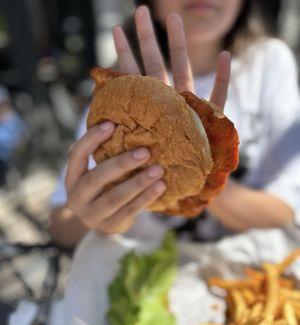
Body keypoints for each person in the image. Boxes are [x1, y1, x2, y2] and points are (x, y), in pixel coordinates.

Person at [49, 0, 300, 248]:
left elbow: (284, 212)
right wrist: (103, 218)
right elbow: (62, 226)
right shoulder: (122, 93)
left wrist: (202, 171)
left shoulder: (268, 63)